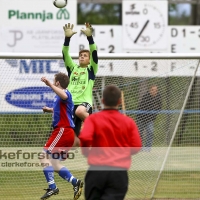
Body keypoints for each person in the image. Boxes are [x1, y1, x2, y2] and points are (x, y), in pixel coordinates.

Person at [79, 85, 142, 200]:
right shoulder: (128, 122)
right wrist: (122, 153)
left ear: (102, 101)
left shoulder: (93, 119)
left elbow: (85, 137)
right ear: (119, 101)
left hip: (96, 171)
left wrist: (86, 152)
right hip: (118, 173)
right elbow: (137, 146)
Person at [40, 72, 83, 200]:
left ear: (57, 83)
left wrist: (49, 84)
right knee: (54, 163)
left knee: (44, 156)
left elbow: (64, 95)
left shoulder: (65, 93)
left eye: (54, 81)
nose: (53, 82)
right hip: (66, 132)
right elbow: (63, 109)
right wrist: (50, 110)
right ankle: (75, 182)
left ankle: (52, 187)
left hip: (62, 131)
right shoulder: (59, 97)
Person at [62, 22, 98, 146]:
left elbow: (94, 53)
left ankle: (97, 128)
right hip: (71, 104)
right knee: (72, 142)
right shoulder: (72, 69)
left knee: (80, 112)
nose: (82, 57)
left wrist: (90, 37)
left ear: (89, 60)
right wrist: (67, 38)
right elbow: (65, 54)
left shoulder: (91, 70)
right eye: (80, 55)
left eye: (85, 56)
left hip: (84, 103)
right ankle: (86, 142)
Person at [136, 85, 162, 151]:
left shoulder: (158, 97)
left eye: (156, 90)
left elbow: (159, 108)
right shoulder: (146, 96)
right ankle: (139, 148)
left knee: (150, 131)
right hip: (141, 117)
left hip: (150, 118)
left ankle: (147, 148)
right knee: (139, 133)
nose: (154, 91)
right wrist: (153, 107)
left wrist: (154, 108)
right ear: (150, 90)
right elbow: (144, 107)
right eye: (152, 90)